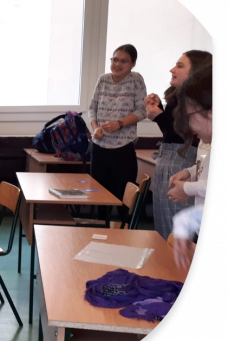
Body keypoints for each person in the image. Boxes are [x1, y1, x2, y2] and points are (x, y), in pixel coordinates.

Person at [144, 50, 213, 238]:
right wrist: (190, 172)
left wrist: (160, 117)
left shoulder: (202, 126)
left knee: (176, 232)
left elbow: (182, 135)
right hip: (175, 163)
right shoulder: (180, 100)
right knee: (165, 228)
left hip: (179, 159)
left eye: (180, 66)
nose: (172, 69)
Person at [88, 44, 148, 222]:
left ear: (133, 64)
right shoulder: (103, 79)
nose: (118, 64)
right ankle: (100, 227)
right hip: (100, 146)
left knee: (123, 195)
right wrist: (95, 128)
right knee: (99, 193)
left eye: (124, 61)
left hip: (123, 146)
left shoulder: (136, 80)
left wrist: (119, 124)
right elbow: (92, 108)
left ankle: (124, 230)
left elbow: (142, 111)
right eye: (115, 59)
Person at [168, 64, 212, 243]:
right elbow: (204, 164)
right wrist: (191, 172)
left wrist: (187, 188)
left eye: (189, 116)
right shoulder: (206, 140)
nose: (190, 127)